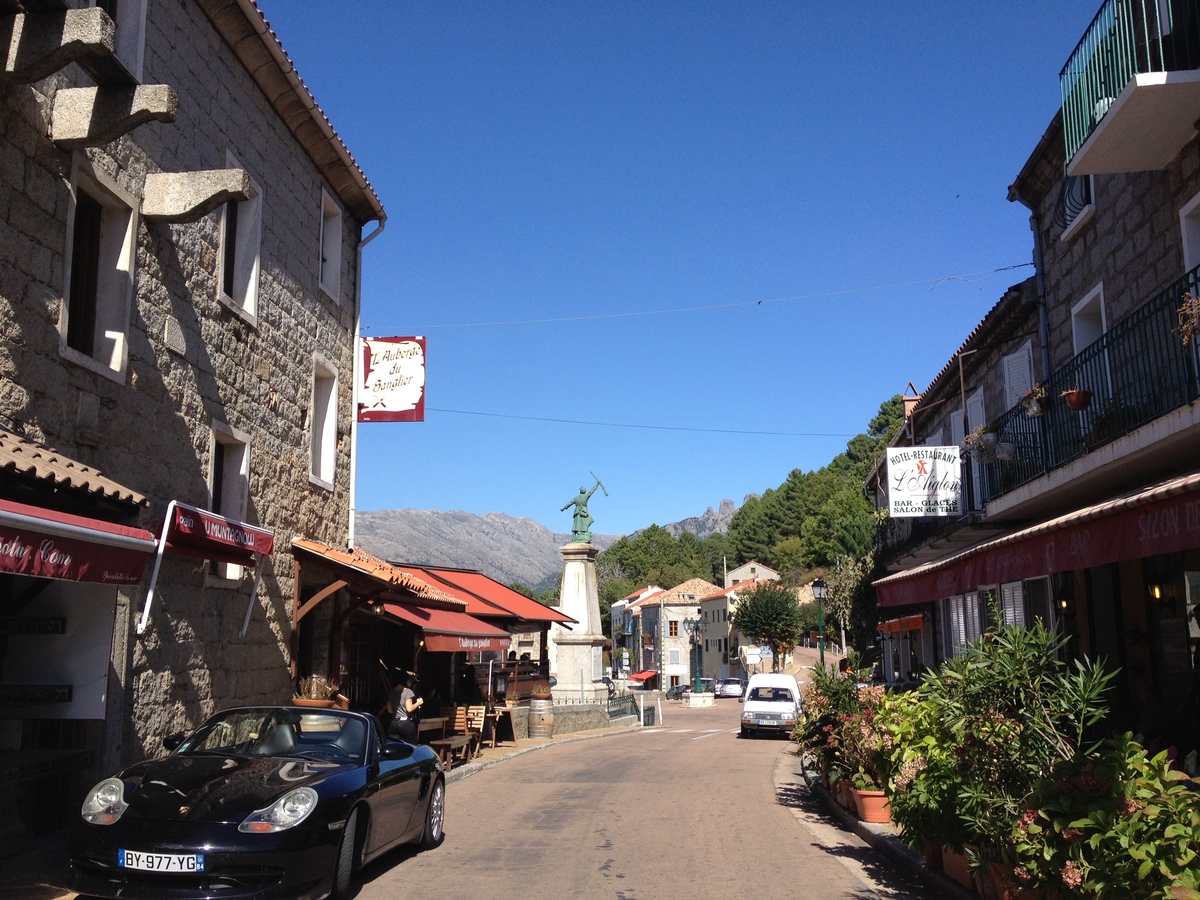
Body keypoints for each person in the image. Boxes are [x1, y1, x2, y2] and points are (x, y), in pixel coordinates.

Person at [385, 672, 424, 743]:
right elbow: (409, 709)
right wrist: (418, 703)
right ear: (405, 681)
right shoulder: (408, 692)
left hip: (394, 723)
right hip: (405, 723)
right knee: (411, 747)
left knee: (394, 746)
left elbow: (389, 710)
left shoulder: (391, 693)